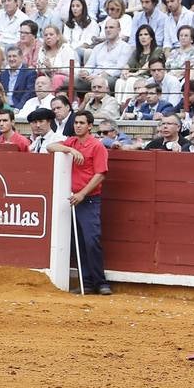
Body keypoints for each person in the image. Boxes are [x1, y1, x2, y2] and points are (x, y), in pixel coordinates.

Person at [48, 110, 112, 294]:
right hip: (73, 199)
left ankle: (100, 282)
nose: (77, 126)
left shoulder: (97, 146)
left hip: (89, 199)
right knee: (79, 243)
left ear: (90, 126)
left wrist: (83, 193)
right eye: (76, 123)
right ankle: (87, 283)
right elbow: (51, 147)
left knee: (91, 241)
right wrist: (70, 149)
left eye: (82, 123)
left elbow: (100, 174)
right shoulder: (72, 142)